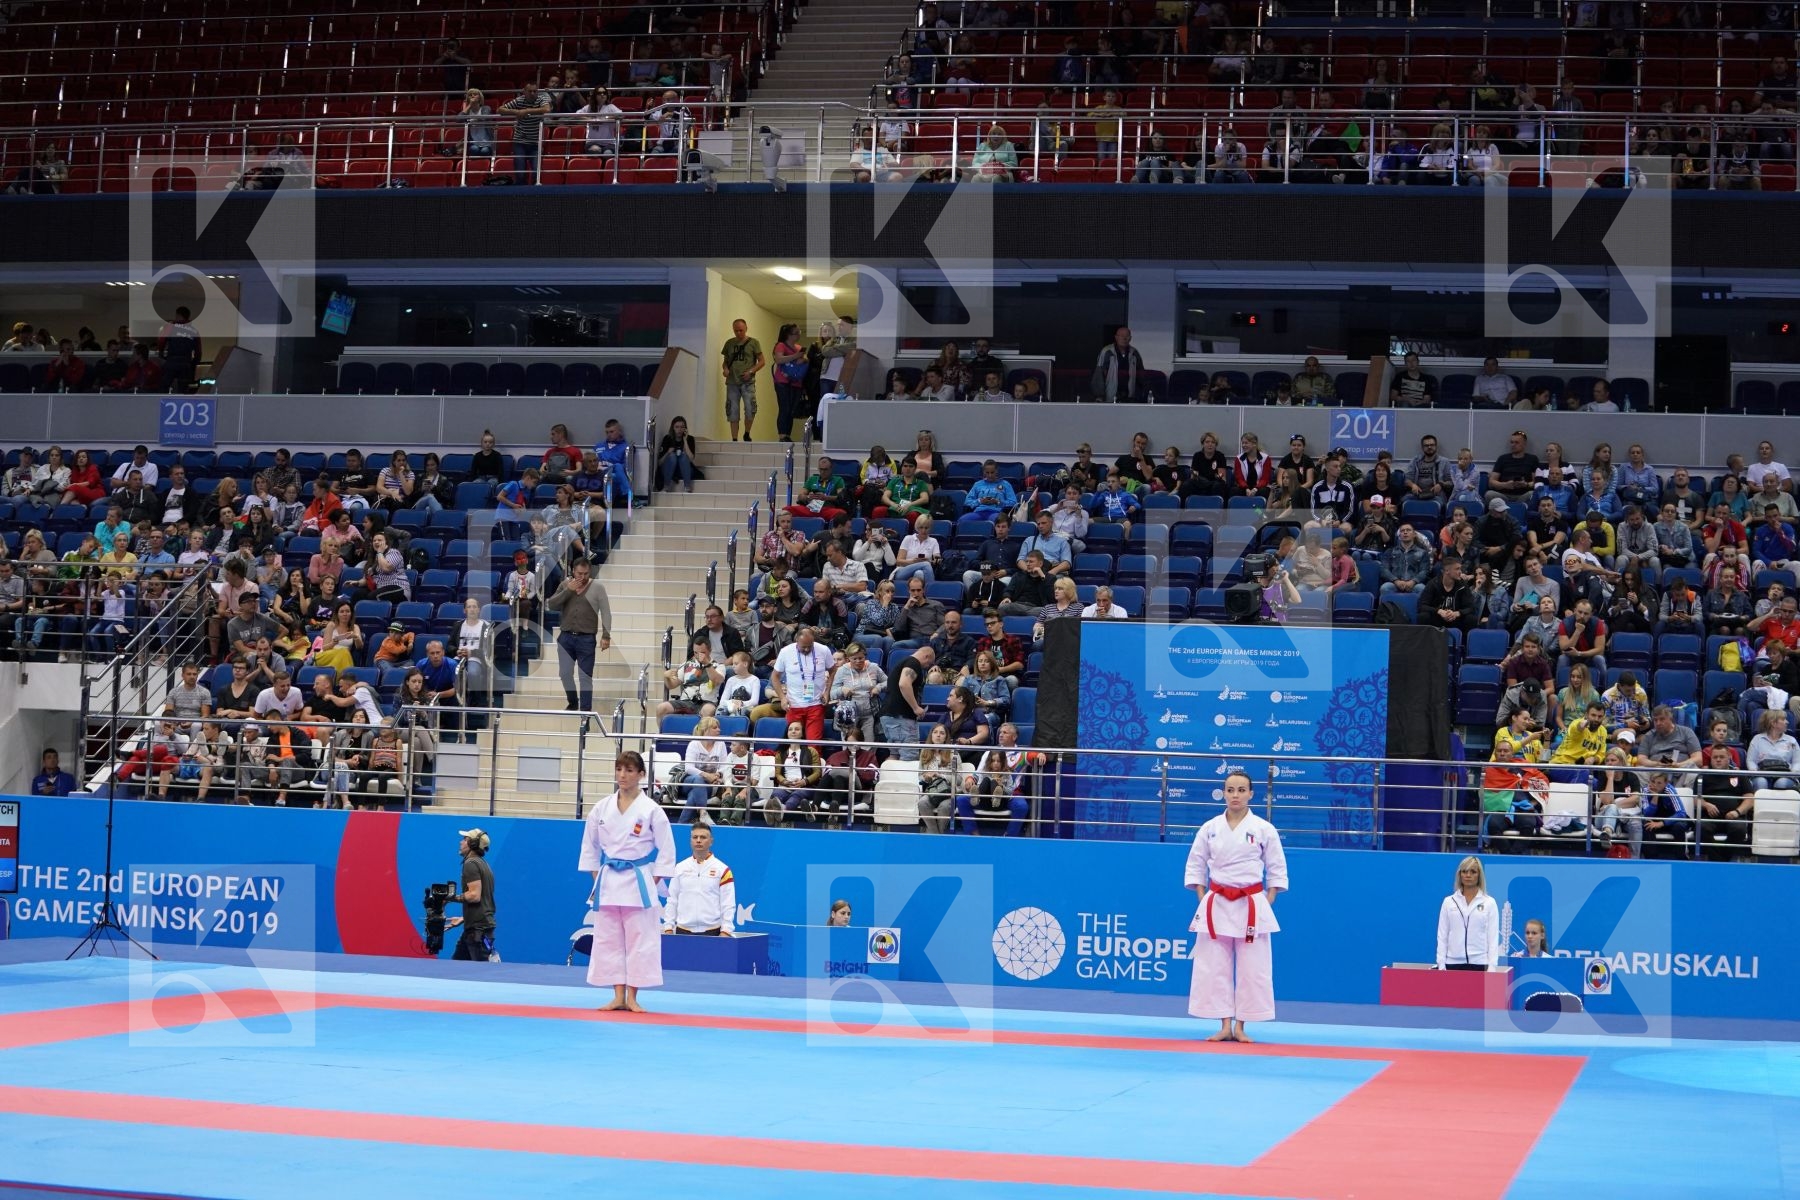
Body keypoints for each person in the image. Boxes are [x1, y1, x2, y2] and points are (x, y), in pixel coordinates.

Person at [1184, 769, 1288, 1044]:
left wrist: (1271, 895)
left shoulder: (1264, 829)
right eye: (1230, 790)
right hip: (1217, 901)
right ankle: (1224, 1024)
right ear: (1223, 793)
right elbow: (1196, 862)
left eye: (1241, 790)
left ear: (1251, 794)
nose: (1235, 795)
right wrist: (1201, 892)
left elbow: (1276, 865)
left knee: (1253, 968)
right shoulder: (1210, 828)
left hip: (1251, 903)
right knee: (1214, 966)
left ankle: (1241, 1025)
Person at [578, 752, 677, 1013]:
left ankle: (633, 996)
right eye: (619, 769)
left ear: (641, 775)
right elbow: (590, 847)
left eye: (630, 770)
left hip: (638, 880)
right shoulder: (601, 807)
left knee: (640, 940)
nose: (623, 775)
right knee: (608, 940)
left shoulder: (651, 810)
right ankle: (617, 995)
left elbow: (666, 850)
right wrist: (597, 876)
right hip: (609, 880)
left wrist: (650, 879)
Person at [546, 560, 612, 711]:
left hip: (586, 639)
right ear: (573, 571)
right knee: (564, 674)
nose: (582, 577)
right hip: (566, 637)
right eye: (579, 574)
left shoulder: (598, 587)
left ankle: (585, 714)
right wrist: (568, 590)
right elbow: (551, 604)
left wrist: (606, 635)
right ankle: (573, 701)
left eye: (586, 574)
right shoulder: (565, 585)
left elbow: (606, 612)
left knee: (585, 677)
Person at [662, 824, 736, 935]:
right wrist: (668, 927)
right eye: (695, 837)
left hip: (713, 932)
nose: (698, 840)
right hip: (683, 931)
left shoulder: (723, 870)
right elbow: (672, 900)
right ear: (690, 841)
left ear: (711, 841)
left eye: (703, 837)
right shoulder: (680, 868)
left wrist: (726, 930)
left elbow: (728, 903)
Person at [1435, 856, 1504, 971]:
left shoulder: (1489, 902)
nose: (1468, 875)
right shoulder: (1448, 902)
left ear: (1479, 875)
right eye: (1464, 871)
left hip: (1480, 963)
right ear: (1460, 874)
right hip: (1452, 963)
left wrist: (1492, 967)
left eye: (1473, 872)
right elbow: (1442, 935)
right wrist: (1441, 964)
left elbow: (1493, 937)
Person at [444, 828, 497, 961]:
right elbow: (483, 899)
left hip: (478, 932)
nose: (461, 842)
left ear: (472, 844)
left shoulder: (470, 864)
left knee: (482, 975)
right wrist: (464, 918)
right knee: (456, 968)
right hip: (476, 929)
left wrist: (450, 897)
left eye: (465, 839)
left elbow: (474, 895)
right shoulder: (482, 864)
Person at [721, 319, 765, 442]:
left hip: (748, 382)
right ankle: (734, 438)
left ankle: (746, 433)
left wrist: (751, 371)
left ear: (746, 329)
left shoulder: (754, 343)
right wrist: (725, 369)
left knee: (750, 408)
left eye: (741, 330)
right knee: (732, 410)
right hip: (732, 382)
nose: (738, 333)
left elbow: (762, 361)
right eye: (736, 330)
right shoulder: (729, 343)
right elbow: (726, 361)